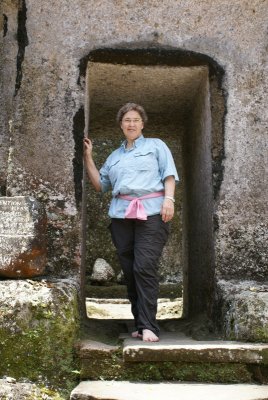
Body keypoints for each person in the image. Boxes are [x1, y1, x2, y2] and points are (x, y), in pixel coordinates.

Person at [83, 103, 179, 342]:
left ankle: (149, 326)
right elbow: (100, 185)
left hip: (153, 213)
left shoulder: (157, 145)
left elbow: (169, 174)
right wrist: (88, 157)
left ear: (142, 124)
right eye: (127, 120)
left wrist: (169, 199)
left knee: (144, 267)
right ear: (121, 125)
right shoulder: (114, 157)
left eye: (136, 119)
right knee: (130, 270)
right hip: (121, 216)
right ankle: (139, 323)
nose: (132, 124)